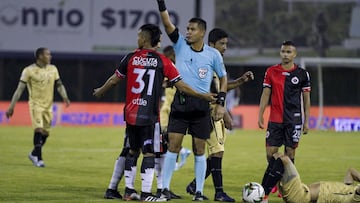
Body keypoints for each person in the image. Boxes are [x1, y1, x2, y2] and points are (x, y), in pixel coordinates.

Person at [93, 23, 215, 202]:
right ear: (157, 41)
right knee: (149, 153)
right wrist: (201, 95)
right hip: (149, 115)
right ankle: (146, 194)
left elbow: (114, 80)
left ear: (143, 39)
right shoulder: (163, 61)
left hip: (131, 113)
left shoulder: (131, 57)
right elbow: (181, 85)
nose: (137, 39)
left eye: (138, 36)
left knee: (132, 151)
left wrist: (100, 91)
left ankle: (128, 190)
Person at [155, 0, 228, 201]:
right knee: (173, 146)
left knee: (199, 149)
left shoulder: (213, 54)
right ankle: (165, 189)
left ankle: (198, 192)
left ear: (202, 32)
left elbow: (223, 77)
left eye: (192, 29)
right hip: (181, 103)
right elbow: (167, 23)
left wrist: (221, 102)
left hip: (201, 107)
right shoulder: (180, 44)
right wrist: (161, 3)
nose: (187, 31)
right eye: (187, 28)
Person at [184, 28, 254, 202]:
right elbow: (212, 90)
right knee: (217, 152)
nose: (225, 47)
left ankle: (195, 185)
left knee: (215, 152)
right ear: (211, 44)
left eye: (226, 44)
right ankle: (219, 192)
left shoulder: (214, 60)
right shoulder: (208, 60)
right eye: (222, 44)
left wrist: (239, 81)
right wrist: (225, 112)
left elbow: (219, 86)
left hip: (210, 109)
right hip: (210, 111)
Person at [258, 40, 311, 196]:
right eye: (283, 51)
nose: (285, 55)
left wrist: (306, 121)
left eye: (288, 52)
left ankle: (285, 185)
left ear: (294, 54)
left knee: (290, 153)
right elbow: (265, 94)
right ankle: (277, 179)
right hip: (275, 119)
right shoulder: (271, 71)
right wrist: (260, 114)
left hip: (293, 120)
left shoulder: (302, 74)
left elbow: (306, 99)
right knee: (270, 153)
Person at [6, 47, 70, 168]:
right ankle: (39, 159)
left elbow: (59, 85)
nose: (50, 56)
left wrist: (65, 97)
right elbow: (19, 90)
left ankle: (33, 153)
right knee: (38, 130)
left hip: (48, 106)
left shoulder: (53, 69)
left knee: (45, 133)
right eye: (48, 54)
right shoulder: (28, 71)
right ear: (40, 56)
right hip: (35, 105)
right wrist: (11, 107)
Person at [261, 152, 360, 203]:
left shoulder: (355, 199)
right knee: (276, 156)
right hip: (300, 191)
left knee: (284, 159)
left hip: (300, 196)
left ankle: (263, 196)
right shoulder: (349, 190)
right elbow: (351, 171)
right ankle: (262, 193)